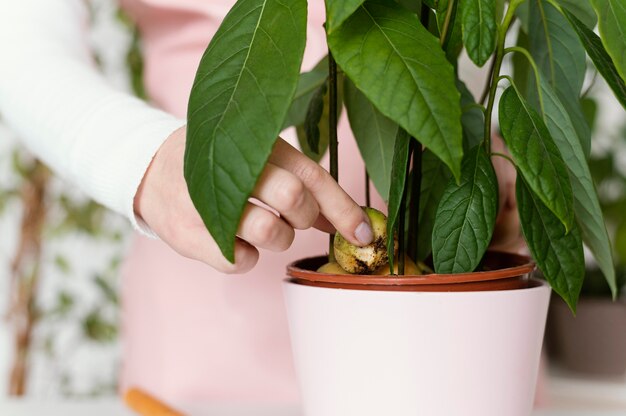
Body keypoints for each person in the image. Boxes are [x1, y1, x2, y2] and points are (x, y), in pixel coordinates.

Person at [0, 0, 522, 403]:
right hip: (217, 348)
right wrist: (145, 157)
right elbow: (18, 38)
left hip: (464, 343)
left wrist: (493, 158)